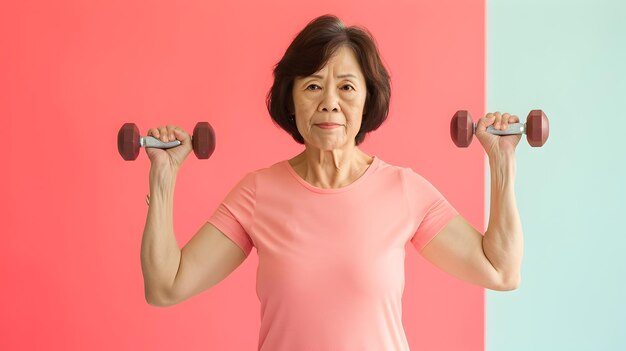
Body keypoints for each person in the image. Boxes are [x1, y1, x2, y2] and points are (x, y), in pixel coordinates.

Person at [140, 14, 523, 351]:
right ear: (290, 101)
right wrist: (163, 175)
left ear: (367, 99)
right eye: (312, 86)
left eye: (346, 87)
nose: (329, 102)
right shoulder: (258, 193)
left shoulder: (403, 190)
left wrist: (501, 161)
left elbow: (501, 271)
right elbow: (166, 286)